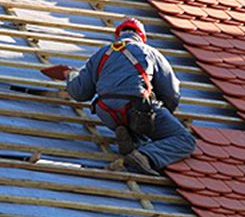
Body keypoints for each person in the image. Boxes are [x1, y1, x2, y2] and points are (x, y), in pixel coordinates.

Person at [62, 18, 196, 176]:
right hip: (136, 107)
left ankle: (131, 141)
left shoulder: (101, 54)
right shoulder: (150, 52)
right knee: (184, 140)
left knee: (139, 129)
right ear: (141, 37)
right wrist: (162, 115)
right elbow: (171, 93)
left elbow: (80, 92)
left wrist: (70, 75)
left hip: (106, 112)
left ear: (118, 35)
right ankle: (145, 156)